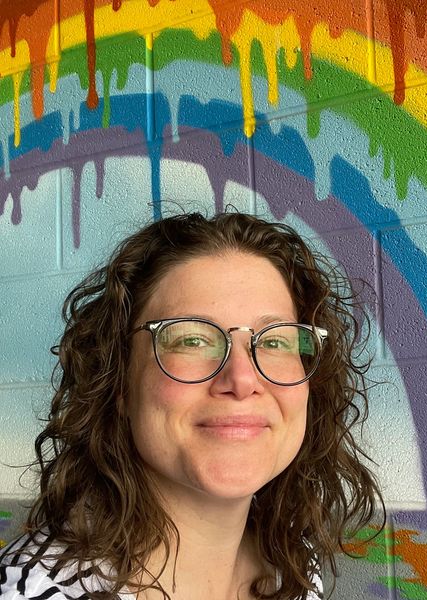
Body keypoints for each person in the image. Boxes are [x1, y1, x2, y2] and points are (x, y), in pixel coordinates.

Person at [0, 212, 383, 600]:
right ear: (118, 384)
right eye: (191, 340)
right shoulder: (36, 592)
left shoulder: (294, 566)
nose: (242, 379)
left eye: (275, 341)